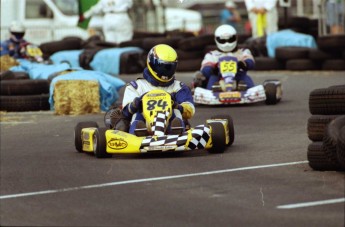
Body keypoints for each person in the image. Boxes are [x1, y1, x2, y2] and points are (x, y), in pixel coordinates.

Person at [114, 44, 195, 136]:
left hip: (169, 124)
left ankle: (176, 131)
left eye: (169, 68)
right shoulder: (136, 86)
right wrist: (135, 104)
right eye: (162, 67)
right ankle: (138, 132)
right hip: (145, 124)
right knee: (137, 114)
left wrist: (177, 106)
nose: (165, 72)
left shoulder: (179, 87)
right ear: (151, 63)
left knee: (176, 112)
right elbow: (125, 113)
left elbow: (190, 109)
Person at [193, 24, 255, 91]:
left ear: (236, 38)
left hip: (238, 75)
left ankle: (247, 90)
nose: (227, 43)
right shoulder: (212, 54)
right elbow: (205, 68)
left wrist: (244, 64)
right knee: (212, 78)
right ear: (216, 39)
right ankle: (213, 91)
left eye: (230, 39)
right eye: (222, 40)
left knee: (245, 78)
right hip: (218, 77)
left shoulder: (242, 52)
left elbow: (250, 61)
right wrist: (212, 69)